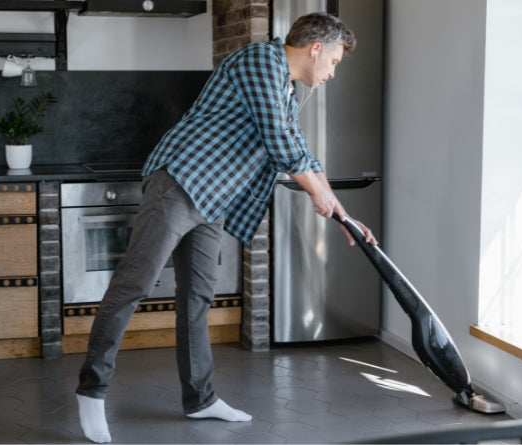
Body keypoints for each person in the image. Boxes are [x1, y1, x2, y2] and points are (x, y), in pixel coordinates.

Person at [75, 12, 377, 443]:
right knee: (133, 285)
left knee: (197, 296)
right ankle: (92, 391)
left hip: (212, 197)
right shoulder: (261, 61)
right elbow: (278, 139)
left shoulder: (286, 90)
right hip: (180, 182)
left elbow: (301, 152)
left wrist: (344, 214)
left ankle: (199, 399)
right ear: (316, 49)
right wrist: (317, 194)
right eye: (334, 62)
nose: (332, 72)